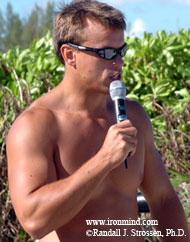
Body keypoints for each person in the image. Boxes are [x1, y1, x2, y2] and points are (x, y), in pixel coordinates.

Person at [7, 0, 190, 241]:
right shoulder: (36, 126)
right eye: (106, 53)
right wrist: (104, 160)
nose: (119, 62)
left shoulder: (132, 115)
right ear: (70, 55)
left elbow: (163, 199)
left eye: (121, 51)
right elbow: (34, 221)